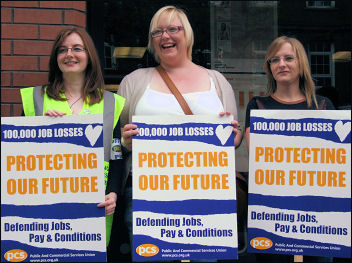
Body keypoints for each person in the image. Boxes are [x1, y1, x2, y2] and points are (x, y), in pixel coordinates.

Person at [117, 5, 242, 257]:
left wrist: (234, 137)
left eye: (173, 28)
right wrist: (125, 141)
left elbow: (233, 139)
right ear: (152, 41)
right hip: (147, 197)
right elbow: (116, 143)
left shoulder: (217, 81)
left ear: (187, 35)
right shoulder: (133, 82)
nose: (165, 36)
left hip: (206, 196)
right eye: (157, 32)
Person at [20, 27, 125, 246]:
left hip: (95, 206)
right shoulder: (36, 99)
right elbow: (18, 156)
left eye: (77, 48)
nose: (69, 54)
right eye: (62, 50)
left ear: (89, 56)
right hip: (45, 207)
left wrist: (113, 192)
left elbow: (116, 155)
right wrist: (39, 129)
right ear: (55, 58)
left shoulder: (110, 102)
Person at [245, 36, 334, 262]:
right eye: (274, 60)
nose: (281, 64)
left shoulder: (322, 106)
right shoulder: (257, 106)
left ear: (301, 63)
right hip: (273, 215)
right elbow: (260, 158)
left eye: (288, 58)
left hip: (318, 216)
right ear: (269, 67)